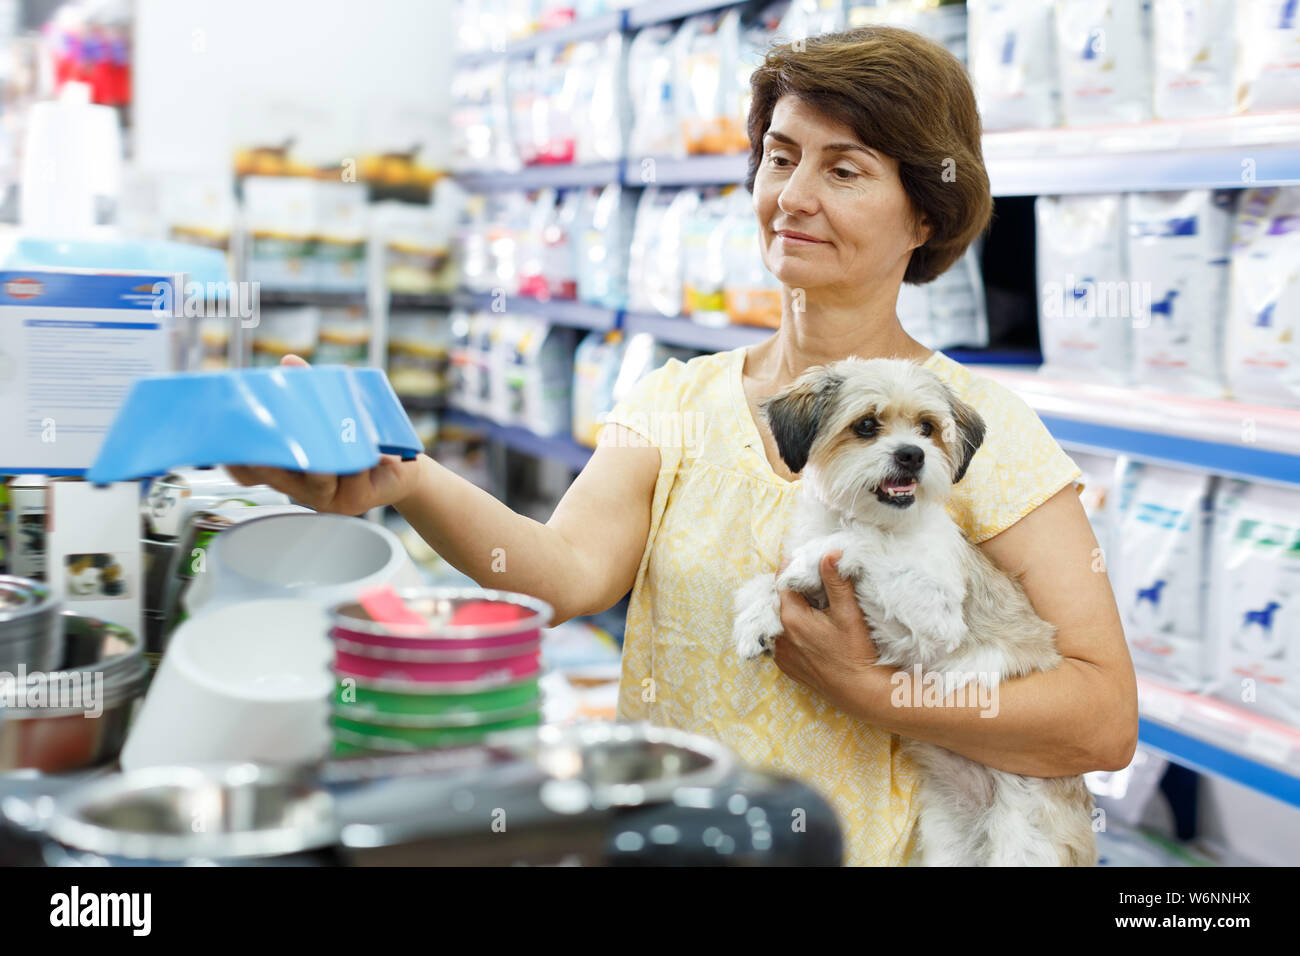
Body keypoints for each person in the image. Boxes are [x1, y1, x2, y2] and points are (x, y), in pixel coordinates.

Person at [230, 26, 1139, 866]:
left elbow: (1102, 722)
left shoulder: (977, 428)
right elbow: (564, 576)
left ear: (926, 215)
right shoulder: (676, 398)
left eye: (846, 170)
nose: (794, 196)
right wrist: (408, 479)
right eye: (780, 158)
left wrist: (877, 695)